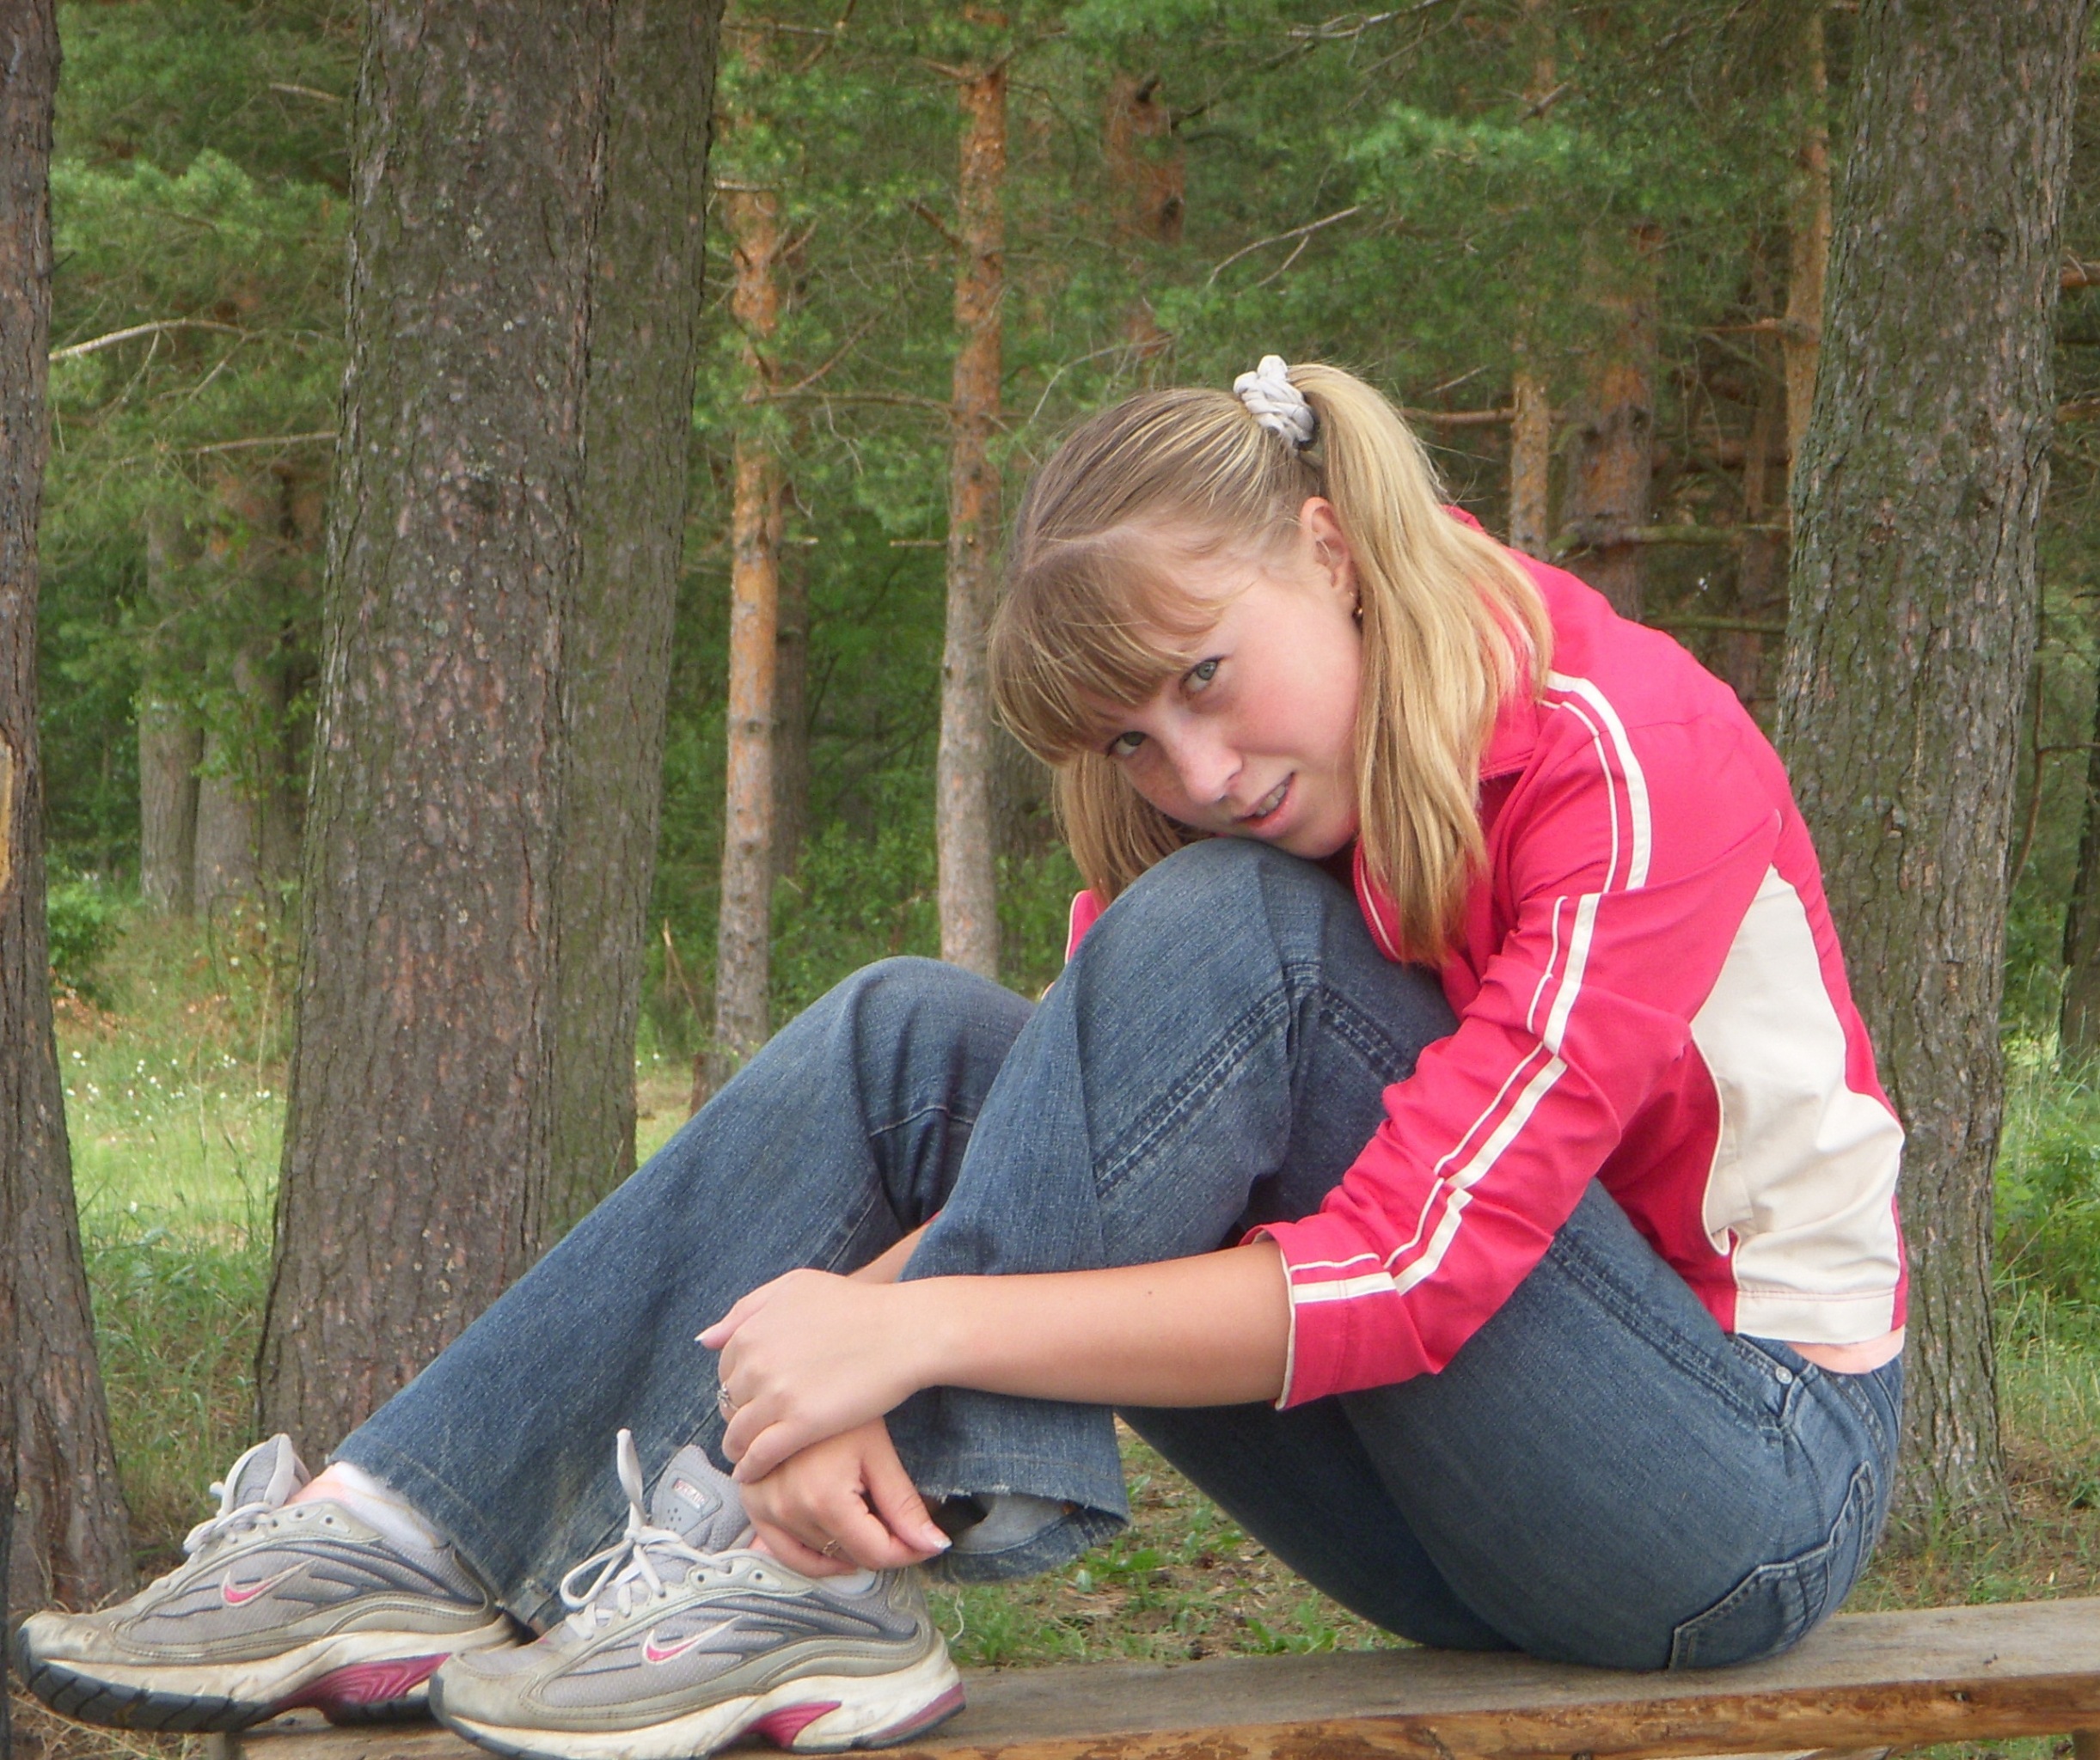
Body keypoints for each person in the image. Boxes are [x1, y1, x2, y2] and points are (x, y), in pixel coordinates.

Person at [16, 358, 1906, 1760]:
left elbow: (1420, 1269)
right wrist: (843, 1357)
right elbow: (1085, 1161)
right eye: (1131, 740)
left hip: (1732, 1495)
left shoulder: (1617, 750)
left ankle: (793, 1576)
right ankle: (408, 1529)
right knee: (908, 1038)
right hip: (1445, 1508)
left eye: (1204, 677)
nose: (1194, 771)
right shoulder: (1254, 823)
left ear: (1328, 550)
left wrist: (904, 1334)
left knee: (1236, 939)